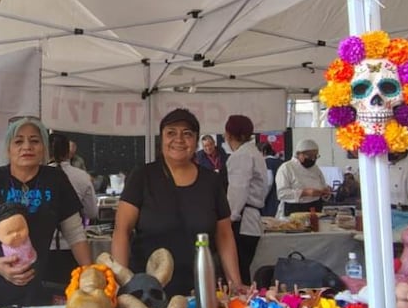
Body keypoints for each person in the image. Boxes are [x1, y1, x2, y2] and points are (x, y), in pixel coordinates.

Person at [0, 115, 93, 308]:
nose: (27, 146)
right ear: (8, 149)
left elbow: (75, 235)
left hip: (28, 294)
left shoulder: (56, 181)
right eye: (18, 141)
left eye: (35, 141)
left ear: (44, 148)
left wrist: (90, 275)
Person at [111, 108, 242, 297]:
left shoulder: (211, 181)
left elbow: (224, 235)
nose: (179, 139)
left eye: (187, 134)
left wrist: (235, 283)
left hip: (202, 291)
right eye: (171, 133)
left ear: (196, 141)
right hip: (149, 292)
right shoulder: (142, 176)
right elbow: (121, 231)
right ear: (161, 139)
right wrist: (120, 286)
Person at [223, 115, 266, 286]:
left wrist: (228, 219)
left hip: (242, 221)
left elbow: (238, 190)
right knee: (241, 270)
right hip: (250, 219)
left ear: (228, 134)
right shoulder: (253, 153)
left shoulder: (241, 156)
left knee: (236, 273)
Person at [49, 132, 99, 223]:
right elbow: (92, 213)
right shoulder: (82, 176)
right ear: (68, 153)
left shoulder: (36, 175)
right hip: (75, 234)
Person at [275, 139, 332, 217]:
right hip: (294, 210)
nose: (313, 159)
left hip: (315, 208)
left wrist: (325, 192)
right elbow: (282, 194)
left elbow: (322, 186)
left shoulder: (315, 169)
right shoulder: (287, 168)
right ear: (298, 154)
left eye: (315, 156)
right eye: (310, 156)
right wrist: (304, 193)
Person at [259, 142, 283, 217]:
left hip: (271, 200)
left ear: (264, 151)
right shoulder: (281, 162)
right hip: (281, 199)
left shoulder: (266, 163)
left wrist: (261, 199)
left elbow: (268, 183)